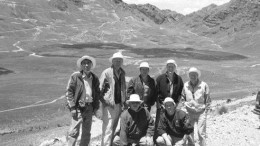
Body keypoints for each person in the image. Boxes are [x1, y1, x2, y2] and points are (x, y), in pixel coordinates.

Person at [66, 55, 101, 146]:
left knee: (86, 132)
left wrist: (96, 107)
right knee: (74, 132)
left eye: (88, 63)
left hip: (89, 107)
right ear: (81, 65)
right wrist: (72, 107)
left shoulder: (95, 78)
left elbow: (97, 93)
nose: (86, 65)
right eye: (84, 63)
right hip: (78, 107)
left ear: (91, 65)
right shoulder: (75, 76)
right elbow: (69, 91)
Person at [99, 52, 127, 146]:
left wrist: (124, 102)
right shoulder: (107, 72)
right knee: (107, 129)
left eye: (120, 60)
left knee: (114, 127)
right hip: (109, 104)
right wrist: (105, 101)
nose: (118, 62)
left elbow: (123, 88)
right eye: (116, 60)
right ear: (112, 61)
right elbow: (99, 89)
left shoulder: (122, 73)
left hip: (119, 104)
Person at [154, 59, 184, 140]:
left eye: (172, 66)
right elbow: (156, 92)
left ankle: (170, 139)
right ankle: (156, 141)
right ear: (166, 67)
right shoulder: (160, 78)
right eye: (169, 66)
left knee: (171, 123)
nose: (170, 68)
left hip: (173, 106)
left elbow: (180, 93)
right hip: (162, 106)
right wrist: (158, 104)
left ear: (175, 68)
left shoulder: (179, 79)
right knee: (159, 124)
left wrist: (177, 104)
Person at [182, 67, 211, 146]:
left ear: (197, 75)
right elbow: (182, 98)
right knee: (189, 132)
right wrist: (184, 108)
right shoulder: (185, 85)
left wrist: (205, 111)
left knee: (201, 133)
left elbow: (208, 99)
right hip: (189, 112)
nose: (193, 76)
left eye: (195, 75)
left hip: (201, 112)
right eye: (191, 75)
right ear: (189, 76)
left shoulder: (203, 85)